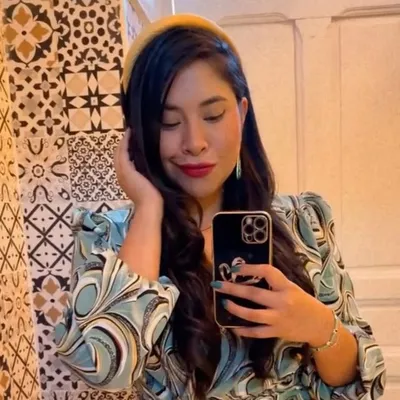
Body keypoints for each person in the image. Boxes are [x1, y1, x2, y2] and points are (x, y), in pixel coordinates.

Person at [54, 14, 386, 400]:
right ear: (140, 131)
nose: (194, 142)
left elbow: (357, 384)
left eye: (213, 115)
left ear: (242, 114)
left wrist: (319, 327)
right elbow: (106, 371)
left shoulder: (304, 221)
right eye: (168, 122)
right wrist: (148, 209)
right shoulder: (109, 238)